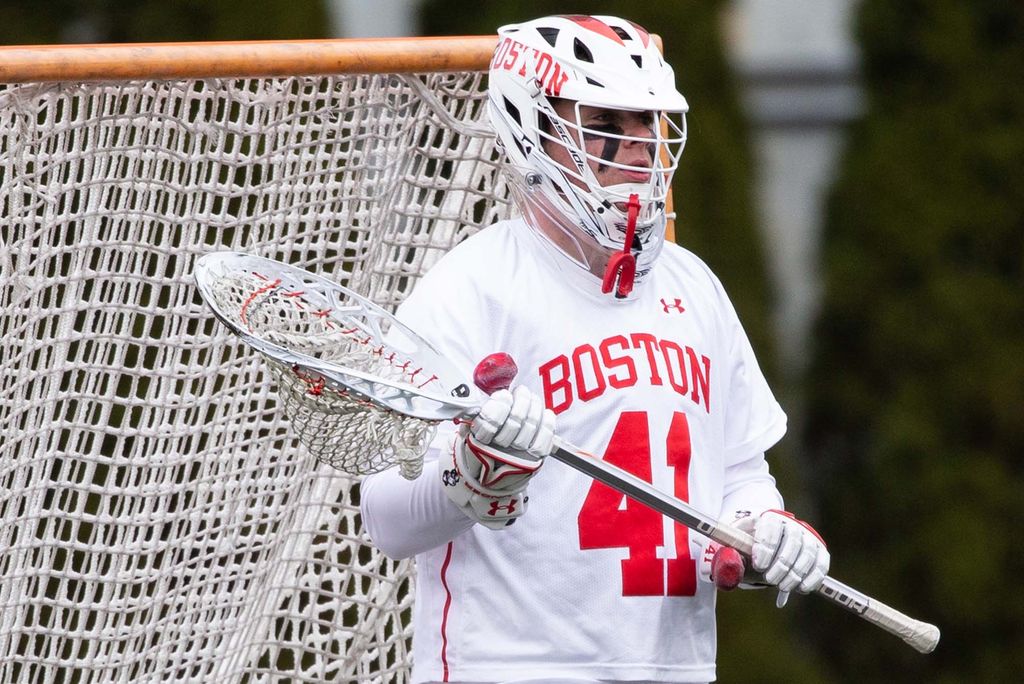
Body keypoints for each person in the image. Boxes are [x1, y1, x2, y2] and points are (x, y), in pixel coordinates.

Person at [360, 14, 829, 684]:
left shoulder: (695, 288)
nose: (640, 149)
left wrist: (763, 531)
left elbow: (740, 475)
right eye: (608, 125)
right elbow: (384, 519)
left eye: (649, 125)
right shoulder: (470, 289)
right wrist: (470, 476)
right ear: (534, 131)